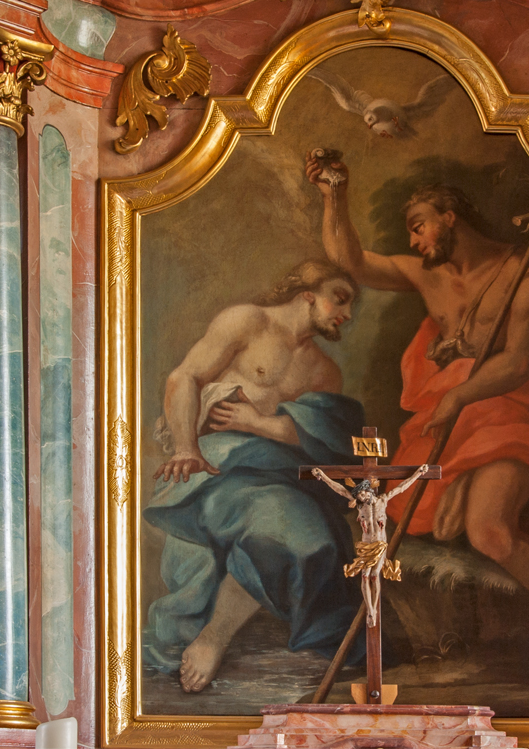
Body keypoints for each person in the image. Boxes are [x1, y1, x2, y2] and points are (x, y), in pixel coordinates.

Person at [307, 153, 529, 698]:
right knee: (443, 522)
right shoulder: (427, 275)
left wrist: (460, 394)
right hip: (453, 415)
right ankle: (462, 484)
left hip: (515, 412)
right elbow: (350, 259)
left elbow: (518, 362)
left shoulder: (526, 275)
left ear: (449, 216)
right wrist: (335, 195)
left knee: (490, 531)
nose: (415, 240)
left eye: (419, 226)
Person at [143, 259, 366, 693]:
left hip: (281, 478)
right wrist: (186, 447)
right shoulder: (246, 322)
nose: (347, 313)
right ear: (307, 294)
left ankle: (216, 634)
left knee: (313, 538)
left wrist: (258, 424)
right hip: (218, 467)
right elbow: (185, 377)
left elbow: (321, 438)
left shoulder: (324, 372)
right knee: (280, 525)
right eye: (339, 299)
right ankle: (214, 637)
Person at [311, 464, 430, 627]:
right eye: (359, 495)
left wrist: (417, 474)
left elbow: (402, 487)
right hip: (366, 544)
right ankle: (370, 610)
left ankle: (374, 607)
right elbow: (340, 490)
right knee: (365, 576)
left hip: (380, 544)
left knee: (374, 575)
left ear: (369, 491)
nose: (361, 496)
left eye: (362, 493)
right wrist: (324, 477)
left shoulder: (383, 500)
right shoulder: (360, 505)